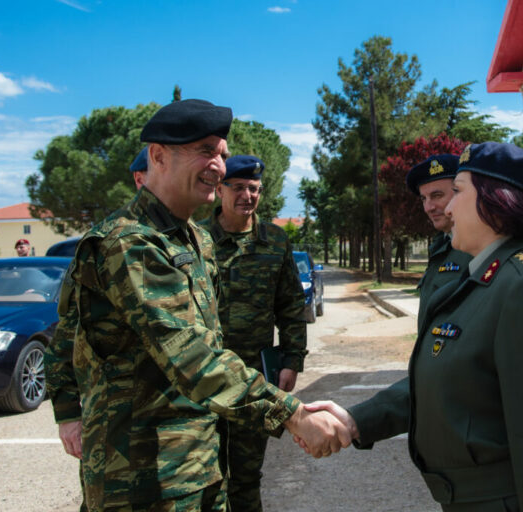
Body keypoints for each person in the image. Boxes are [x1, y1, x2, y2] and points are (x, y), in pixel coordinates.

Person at [54, 99, 349, 511]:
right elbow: (188, 354)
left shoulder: (194, 239)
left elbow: (216, 338)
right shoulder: (130, 243)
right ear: (158, 156)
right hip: (142, 474)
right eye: (205, 150)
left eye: (222, 154)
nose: (219, 165)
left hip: (200, 461)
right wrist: (291, 415)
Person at [304, 142, 523, 511]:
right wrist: (357, 420)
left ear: (495, 201)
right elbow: (450, 379)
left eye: (459, 192)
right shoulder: (487, 279)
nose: (448, 207)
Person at [45, 145, 154, 512]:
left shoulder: (191, 242)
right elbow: (66, 336)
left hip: (174, 442)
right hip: (115, 430)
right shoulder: (106, 243)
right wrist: (67, 414)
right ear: (141, 178)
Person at [200, 154, 307, 511]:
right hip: (203, 379)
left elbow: (291, 304)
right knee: (204, 477)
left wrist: (292, 360)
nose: (247, 195)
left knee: (247, 476)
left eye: (254, 188)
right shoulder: (196, 240)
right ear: (219, 190)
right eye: (239, 187)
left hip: (254, 378)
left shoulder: (274, 241)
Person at [405, 154, 472, 327]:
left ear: (462, 193)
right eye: (424, 199)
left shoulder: (478, 248)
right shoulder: (441, 245)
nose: (428, 207)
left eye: (437, 195)